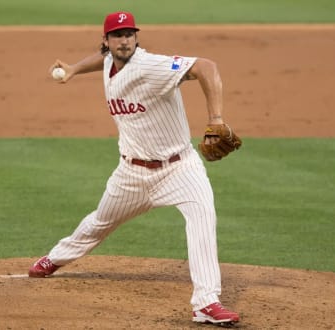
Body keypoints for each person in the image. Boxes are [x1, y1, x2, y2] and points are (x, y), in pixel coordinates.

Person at [29, 11, 241, 326]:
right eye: (117, 35)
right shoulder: (109, 62)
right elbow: (101, 61)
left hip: (180, 169)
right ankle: (55, 258)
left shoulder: (150, 66)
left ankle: (206, 302)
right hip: (131, 174)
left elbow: (206, 66)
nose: (124, 40)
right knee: (100, 222)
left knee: (202, 220)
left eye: (129, 34)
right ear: (106, 41)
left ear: (136, 37)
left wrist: (216, 120)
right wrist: (73, 68)